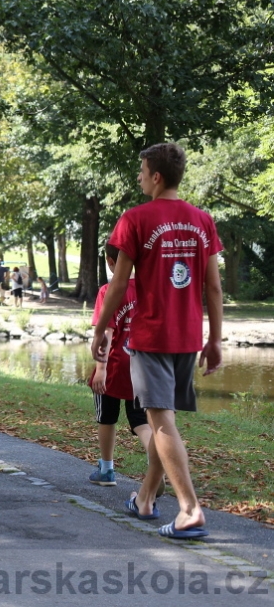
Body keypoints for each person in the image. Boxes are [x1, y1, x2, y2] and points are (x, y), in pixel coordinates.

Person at [93, 143, 223, 540]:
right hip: (187, 337)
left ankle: (189, 509)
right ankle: (145, 499)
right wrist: (215, 339)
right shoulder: (202, 220)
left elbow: (118, 285)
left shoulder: (134, 219)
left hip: (150, 337)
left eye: (142, 170)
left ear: (156, 177)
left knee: (161, 423)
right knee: (164, 423)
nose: (139, 176)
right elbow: (213, 287)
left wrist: (100, 327)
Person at [88, 245, 154, 488]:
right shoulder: (148, 291)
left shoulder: (109, 291)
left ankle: (106, 470)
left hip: (115, 365)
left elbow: (106, 332)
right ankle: (156, 462)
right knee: (140, 420)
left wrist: (101, 369)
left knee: (107, 417)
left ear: (109, 261)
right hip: (144, 365)